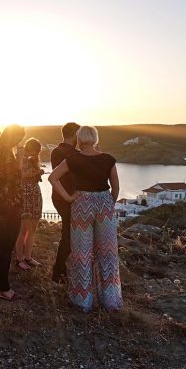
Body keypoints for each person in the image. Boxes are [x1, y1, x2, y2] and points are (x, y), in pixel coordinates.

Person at [49, 125, 122, 312]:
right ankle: (111, 302)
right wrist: (109, 203)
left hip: (82, 204)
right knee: (108, 253)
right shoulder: (108, 159)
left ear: (79, 139)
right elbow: (115, 188)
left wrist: (68, 197)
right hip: (104, 203)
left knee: (81, 253)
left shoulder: (73, 159)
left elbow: (53, 178)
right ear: (96, 139)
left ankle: (83, 301)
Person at [0, 124, 25, 301]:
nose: (18, 142)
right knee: (6, 247)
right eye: (18, 139)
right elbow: (15, 179)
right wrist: (20, 161)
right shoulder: (6, 154)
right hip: (9, 204)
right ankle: (4, 288)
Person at [50, 122, 80, 282]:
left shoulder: (58, 151)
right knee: (68, 235)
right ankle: (58, 271)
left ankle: (61, 269)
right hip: (65, 197)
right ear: (75, 135)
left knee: (69, 234)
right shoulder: (66, 152)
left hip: (62, 196)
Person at [14, 138, 45, 270]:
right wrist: (38, 171)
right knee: (23, 229)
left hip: (35, 195)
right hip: (25, 196)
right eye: (35, 150)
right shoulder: (21, 158)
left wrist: (38, 171)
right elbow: (22, 174)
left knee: (32, 229)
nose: (37, 153)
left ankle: (28, 257)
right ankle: (19, 258)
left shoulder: (34, 160)